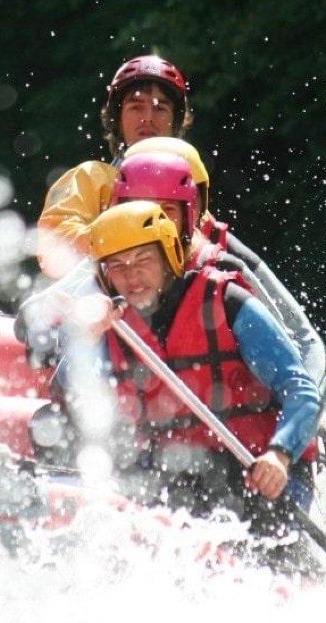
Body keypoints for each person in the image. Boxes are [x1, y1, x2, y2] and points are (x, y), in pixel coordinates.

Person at [27, 201, 320, 540]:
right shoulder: (109, 323)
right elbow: (72, 397)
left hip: (262, 475)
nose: (132, 277)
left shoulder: (228, 300)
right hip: (174, 477)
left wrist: (280, 454)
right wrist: (83, 337)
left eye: (143, 260)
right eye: (117, 266)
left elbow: (300, 389)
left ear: (169, 256)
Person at [119, 138, 326, 388]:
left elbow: (304, 341)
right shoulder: (112, 263)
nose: (156, 224)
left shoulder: (228, 259)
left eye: (169, 207)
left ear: (195, 204)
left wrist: (308, 406)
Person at [37, 54, 192, 276]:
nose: (148, 117)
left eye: (160, 108)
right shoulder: (89, 177)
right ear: (117, 119)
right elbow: (54, 243)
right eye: (136, 107)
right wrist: (128, 235)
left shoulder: (190, 189)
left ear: (175, 122)